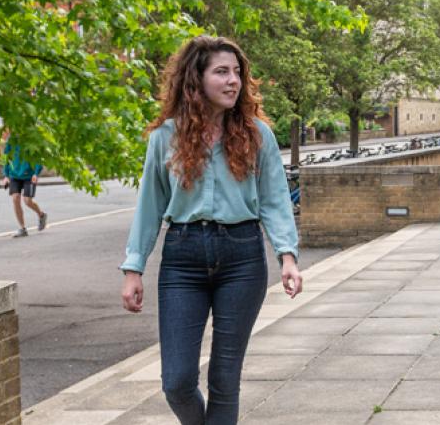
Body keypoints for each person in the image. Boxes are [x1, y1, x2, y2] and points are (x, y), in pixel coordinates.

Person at [119, 36, 303, 425]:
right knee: (177, 381)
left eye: (237, 72)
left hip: (243, 257)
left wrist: (287, 256)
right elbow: (149, 207)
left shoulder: (257, 135)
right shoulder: (164, 137)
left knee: (224, 379)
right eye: (221, 72)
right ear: (195, 79)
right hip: (183, 259)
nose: (233, 81)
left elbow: (274, 199)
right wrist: (133, 268)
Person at [2, 140, 47, 238]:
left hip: (29, 176)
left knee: (27, 201)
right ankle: (22, 229)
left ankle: (41, 215)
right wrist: (6, 175)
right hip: (14, 175)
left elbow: (38, 158)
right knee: (15, 198)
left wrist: (36, 173)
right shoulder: (11, 139)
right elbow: (6, 157)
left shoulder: (30, 137)